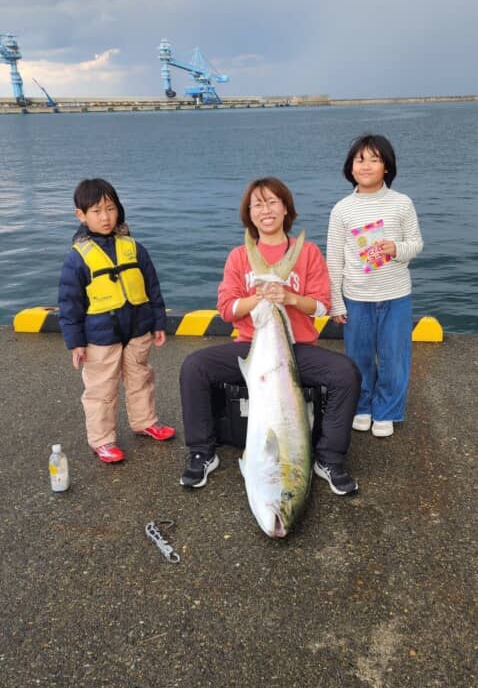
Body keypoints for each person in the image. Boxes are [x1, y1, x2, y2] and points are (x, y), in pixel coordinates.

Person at [179, 176, 361, 494]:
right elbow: (226, 309)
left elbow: (321, 307)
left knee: (346, 373)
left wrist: (289, 298)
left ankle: (329, 458)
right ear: (249, 214)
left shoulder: (308, 253)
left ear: (286, 209)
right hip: (251, 346)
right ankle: (202, 453)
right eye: (258, 204)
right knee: (194, 367)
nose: (266, 209)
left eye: (273, 201)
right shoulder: (239, 255)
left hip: (296, 350)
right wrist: (259, 297)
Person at [58, 178, 175, 462]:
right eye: (96, 211)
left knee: (141, 379)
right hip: (100, 337)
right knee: (101, 391)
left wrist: (158, 322)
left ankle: (145, 421)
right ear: (81, 215)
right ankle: (102, 440)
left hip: (137, 330)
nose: (105, 217)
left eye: (110, 209)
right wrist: (75, 343)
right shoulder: (78, 259)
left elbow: (152, 288)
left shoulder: (135, 248)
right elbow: (69, 304)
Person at [327, 134, 424, 438]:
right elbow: (333, 259)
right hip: (356, 296)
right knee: (358, 358)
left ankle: (388, 410)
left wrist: (396, 248)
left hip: (396, 295)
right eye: (360, 159)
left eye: (374, 159)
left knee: (395, 358)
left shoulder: (402, 203)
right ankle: (363, 405)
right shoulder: (342, 209)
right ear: (350, 168)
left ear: (387, 167)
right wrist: (336, 301)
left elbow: (416, 244)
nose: (366, 165)